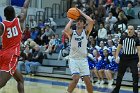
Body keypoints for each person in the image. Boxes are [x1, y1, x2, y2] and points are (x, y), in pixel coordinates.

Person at [0, 0, 30, 93]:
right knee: (1, 83)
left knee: (20, 79)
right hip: (11, 56)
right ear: (14, 13)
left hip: (3, 54)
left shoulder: (2, 25)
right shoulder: (20, 20)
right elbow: (25, 7)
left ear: (4, 15)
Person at [64, 8, 94, 93]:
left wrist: (81, 13)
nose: (78, 22)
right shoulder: (72, 33)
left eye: (81, 21)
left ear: (84, 24)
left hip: (83, 59)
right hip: (73, 59)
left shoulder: (86, 32)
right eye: (78, 21)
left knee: (88, 81)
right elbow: (66, 30)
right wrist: (71, 19)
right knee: (76, 78)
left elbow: (91, 21)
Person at [111, 25, 140, 93]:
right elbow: (118, 47)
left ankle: (135, 91)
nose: (129, 30)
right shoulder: (123, 37)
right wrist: (116, 56)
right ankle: (116, 90)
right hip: (124, 57)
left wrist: (139, 61)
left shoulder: (136, 39)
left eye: (131, 29)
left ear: (133, 30)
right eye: (128, 29)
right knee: (119, 75)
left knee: (135, 75)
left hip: (133, 58)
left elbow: (139, 50)